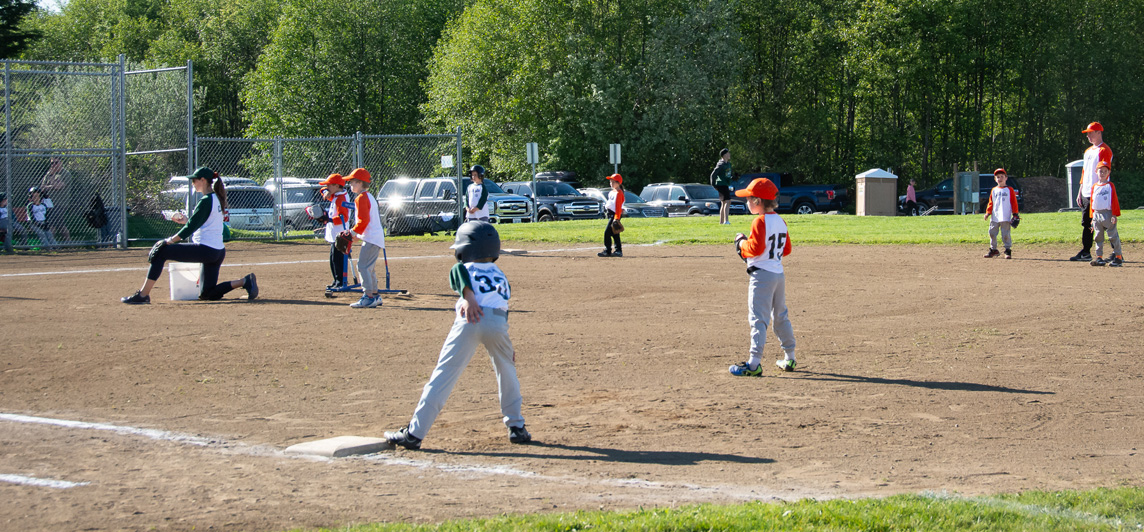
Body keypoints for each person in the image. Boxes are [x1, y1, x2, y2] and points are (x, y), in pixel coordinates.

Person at [385, 221, 530, 449]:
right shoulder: (500, 274)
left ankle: (414, 433)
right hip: (499, 325)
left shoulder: (464, 267)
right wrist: (506, 343)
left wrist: (468, 298)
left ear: (465, 249)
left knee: (444, 374)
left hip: (470, 321)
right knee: (507, 372)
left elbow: (458, 272)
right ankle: (517, 427)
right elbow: (502, 304)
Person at [121, 167, 258, 304]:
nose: (192, 183)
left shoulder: (206, 200)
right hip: (217, 251)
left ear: (203, 180)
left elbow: (191, 228)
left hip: (206, 250)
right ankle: (244, 281)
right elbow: (201, 224)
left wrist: (168, 241)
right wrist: (186, 221)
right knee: (207, 294)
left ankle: (143, 295)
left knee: (161, 252)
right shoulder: (215, 197)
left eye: (194, 180)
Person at [729, 178, 797, 376]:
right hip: (778, 275)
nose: (747, 202)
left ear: (758, 201)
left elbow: (755, 248)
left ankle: (753, 364)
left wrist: (741, 243)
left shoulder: (759, 220)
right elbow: (787, 249)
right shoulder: (780, 220)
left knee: (758, 318)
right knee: (780, 316)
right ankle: (790, 358)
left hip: (762, 277)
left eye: (750, 199)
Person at [1071, 122, 1113, 262]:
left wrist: (1102, 189)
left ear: (1099, 132)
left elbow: (1105, 171)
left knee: (1105, 221)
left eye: (1091, 132)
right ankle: (1086, 251)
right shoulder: (1088, 151)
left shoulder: (1104, 150)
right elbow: (1085, 172)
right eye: (1087, 133)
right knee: (1087, 223)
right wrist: (1080, 190)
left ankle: (1116, 251)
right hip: (1087, 192)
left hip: (1099, 192)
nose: (1088, 135)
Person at [344, 167, 384, 308]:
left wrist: (352, 233)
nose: (351, 185)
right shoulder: (369, 196)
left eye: (353, 182)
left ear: (361, 183)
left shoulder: (361, 198)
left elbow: (363, 220)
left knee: (362, 266)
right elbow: (367, 222)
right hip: (374, 237)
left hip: (372, 238)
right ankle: (375, 295)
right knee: (369, 268)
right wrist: (357, 235)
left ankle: (368, 296)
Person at [316, 173, 353, 289]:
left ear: (337, 186)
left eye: (330, 186)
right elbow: (322, 190)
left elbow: (344, 217)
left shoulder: (341, 198)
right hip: (334, 232)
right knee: (333, 258)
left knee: (337, 258)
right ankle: (336, 280)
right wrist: (326, 191)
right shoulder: (336, 194)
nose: (327, 188)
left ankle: (340, 281)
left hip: (340, 233)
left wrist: (329, 219)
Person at [1088, 161, 1123, 267]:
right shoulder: (1094, 186)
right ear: (1096, 172)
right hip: (1096, 215)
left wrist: (1114, 214)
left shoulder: (1109, 185)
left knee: (1113, 236)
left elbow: (1114, 200)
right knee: (1098, 237)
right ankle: (1099, 257)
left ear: (1109, 172)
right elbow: (1092, 202)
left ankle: (1118, 257)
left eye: (1105, 171)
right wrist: (1092, 217)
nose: (1102, 173)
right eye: (1100, 171)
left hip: (1108, 213)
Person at [983, 168, 1019, 260]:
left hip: (1005, 216)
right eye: (998, 177)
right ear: (995, 179)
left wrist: (1015, 214)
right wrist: (988, 212)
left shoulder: (1009, 190)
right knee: (992, 233)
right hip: (995, 216)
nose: (1000, 178)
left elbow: (1014, 202)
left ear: (1006, 178)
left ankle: (1007, 250)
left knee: (1005, 234)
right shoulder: (994, 190)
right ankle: (993, 250)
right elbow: (991, 202)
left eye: (1002, 176)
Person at [39, 156, 72, 242]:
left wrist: (52, 177)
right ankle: (68, 242)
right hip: (49, 203)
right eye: (52, 163)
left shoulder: (65, 174)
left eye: (56, 162)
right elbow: (42, 187)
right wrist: (51, 184)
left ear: (61, 163)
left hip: (60, 203)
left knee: (52, 224)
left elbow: (58, 187)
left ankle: (51, 244)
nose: (53, 165)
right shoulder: (49, 173)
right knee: (60, 225)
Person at [598, 173, 625, 257]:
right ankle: (618, 251)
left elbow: (618, 208)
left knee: (607, 232)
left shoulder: (619, 193)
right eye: (610, 182)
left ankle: (608, 250)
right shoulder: (611, 192)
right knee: (615, 233)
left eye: (613, 182)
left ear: (618, 183)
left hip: (615, 215)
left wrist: (616, 219)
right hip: (611, 214)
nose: (611, 183)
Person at [710, 148, 733, 225]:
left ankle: (721, 221)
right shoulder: (721, 164)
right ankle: (726, 221)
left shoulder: (728, 164)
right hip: (721, 184)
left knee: (724, 203)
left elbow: (727, 174)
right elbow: (713, 175)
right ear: (724, 155)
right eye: (728, 153)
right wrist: (714, 184)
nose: (729, 154)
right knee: (727, 201)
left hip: (725, 184)